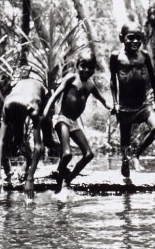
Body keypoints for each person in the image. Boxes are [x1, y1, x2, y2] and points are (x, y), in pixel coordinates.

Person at [41, 53, 111, 189]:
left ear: (94, 69)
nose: (86, 70)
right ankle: (58, 183)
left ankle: (68, 179)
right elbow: (55, 96)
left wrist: (111, 107)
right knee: (67, 154)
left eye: (90, 67)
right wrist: (45, 113)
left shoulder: (90, 85)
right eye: (83, 66)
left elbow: (103, 100)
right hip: (62, 118)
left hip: (73, 122)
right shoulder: (71, 78)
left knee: (89, 154)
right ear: (77, 66)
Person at [109, 21, 155, 178]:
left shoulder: (144, 55)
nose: (135, 41)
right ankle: (126, 159)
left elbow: (153, 79)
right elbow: (113, 80)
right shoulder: (116, 56)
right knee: (125, 141)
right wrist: (115, 103)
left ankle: (136, 155)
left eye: (138, 38)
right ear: (122, 38)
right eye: (131, 37)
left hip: (143, 104)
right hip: (125, 106)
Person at [0, 72, 48, 195]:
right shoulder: (7, 105)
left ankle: (34, 167)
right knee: (18, 141)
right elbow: (1, 141)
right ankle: (28, 161)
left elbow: (38, 146)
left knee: (48, 139)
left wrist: (30, 178)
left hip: (38, 91)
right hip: (20, 93)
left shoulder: (33, 109)